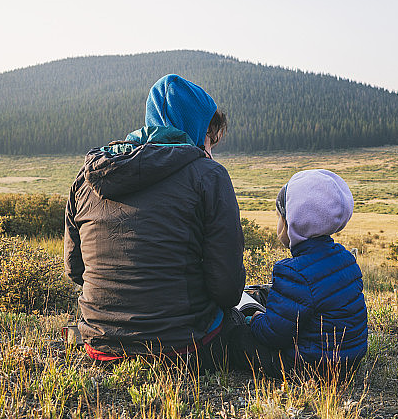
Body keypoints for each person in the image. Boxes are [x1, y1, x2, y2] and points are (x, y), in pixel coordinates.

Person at [64, 74, 246, 370]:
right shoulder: (209, 175)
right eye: (210, 141)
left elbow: (75, 270)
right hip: (184, 348)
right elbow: (227, 290)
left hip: (100, 344)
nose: (210, 152)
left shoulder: (87, 178)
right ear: (196, 129)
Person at [239, 169, 368, 379]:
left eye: (279, 216)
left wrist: (253, 318)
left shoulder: (294, 271)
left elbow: (273, 334)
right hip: (349, 362)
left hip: (310, 367)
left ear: (293, 221)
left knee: (237, 337)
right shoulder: (345, 259)